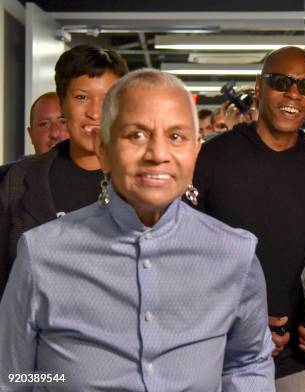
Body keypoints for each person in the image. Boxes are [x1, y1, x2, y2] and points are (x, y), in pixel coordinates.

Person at [0, 68, 275, 391]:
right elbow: (13, 377)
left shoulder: (234, 254)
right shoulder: (42, 253)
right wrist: (60, 380)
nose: (158, 155)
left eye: (176, 136)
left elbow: (248, 362)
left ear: (195, 150)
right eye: (136, 135)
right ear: (103, 151)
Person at [192, 46, 305, 391]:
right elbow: (188, 260)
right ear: (259, 88)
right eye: (281, 82)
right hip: (221, 358)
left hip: (299, 366)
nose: (294, 94)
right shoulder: (212, 159)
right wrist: (242, 322)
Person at [0, 44, 128, 296]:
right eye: (81, 97)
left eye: (107, 98)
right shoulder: (17, 180)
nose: (94, 112)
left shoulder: (142, 182)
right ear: (63, 103)